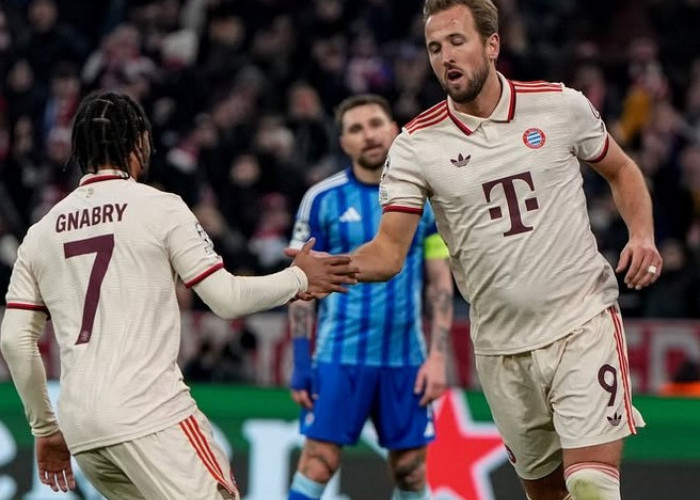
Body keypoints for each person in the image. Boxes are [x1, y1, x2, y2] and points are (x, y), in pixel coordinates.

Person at [290, 1, 664, 499]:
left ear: (492, 44)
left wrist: (642, 235)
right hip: (499, 348)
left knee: (591, 484)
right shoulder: (416, 146)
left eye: (457, 41)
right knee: (548, 493)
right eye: (434, 47)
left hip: (583, 320)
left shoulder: (559, 106)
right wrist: (317, 272)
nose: (446, 56)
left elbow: (620, 169)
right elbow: (388, 253)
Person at [0, 91, 358, 500]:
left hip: (83, 429)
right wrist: (298, 278)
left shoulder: (40, 234)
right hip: (149, 414)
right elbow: (227, 299)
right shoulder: (160, 208)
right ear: (139, 143)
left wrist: (45, 429)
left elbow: (14, 339)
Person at [286, 94, 454, 500]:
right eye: (356, 129)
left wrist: (437, 358)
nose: (369, 136)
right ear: (344, 143)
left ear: (393, 128)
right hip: (338, 354)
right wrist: (300, 362)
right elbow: (299, 286)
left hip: (406, 358)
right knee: (319, 460)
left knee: (411, 472)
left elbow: (440, 284)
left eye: (376, 124)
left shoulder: (425, 199)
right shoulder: (322, 200)